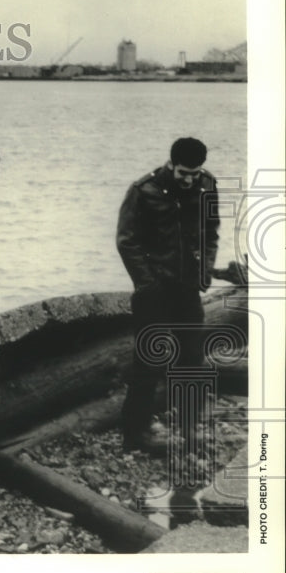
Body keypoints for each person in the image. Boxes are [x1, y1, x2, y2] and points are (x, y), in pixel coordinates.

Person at [116, 137, 219, 454]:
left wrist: (204, 274)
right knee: (150, 360)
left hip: (187, 288)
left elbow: (211, 232)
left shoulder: (207, 185)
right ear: (171, 164)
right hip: (154, 291)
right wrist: (147, 284)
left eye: (194, 174)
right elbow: (126, 241)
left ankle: (189, 427)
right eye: (183, 173)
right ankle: (136, 433)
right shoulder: (143, 190)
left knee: (192, 358)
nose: (189, 180)